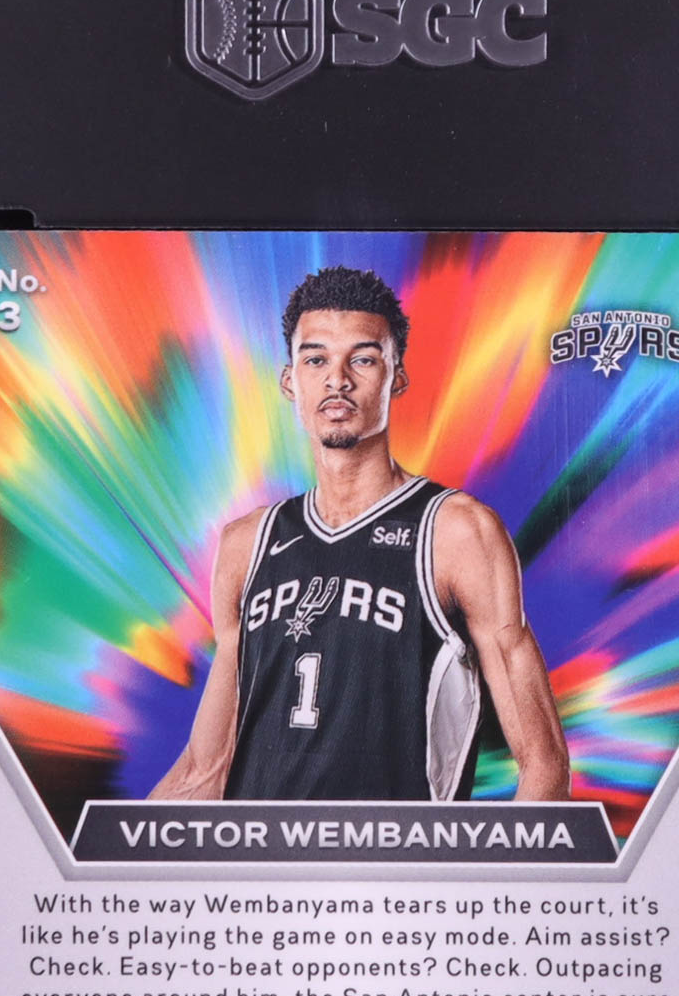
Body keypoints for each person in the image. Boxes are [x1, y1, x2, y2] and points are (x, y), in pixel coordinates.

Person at [149, 266, 569, 803]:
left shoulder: (455, 532)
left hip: (398, 855)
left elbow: (544, 765)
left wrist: (475, 865)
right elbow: (205, 770)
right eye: (316, 359)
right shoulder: (246, 544)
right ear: (289, 381)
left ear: (397, 376)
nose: (338, 380)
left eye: (364, 359)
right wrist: (110, 850)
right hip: (260, 855)